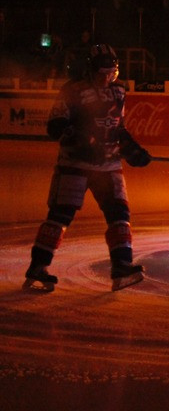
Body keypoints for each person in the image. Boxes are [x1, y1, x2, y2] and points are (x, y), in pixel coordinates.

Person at [24, 44, 152, 292]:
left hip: (109, 165)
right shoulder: (72, 90)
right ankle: (38, 266)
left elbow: (117, 128)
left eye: (111, 73)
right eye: (103, 73)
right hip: (75, 165)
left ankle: (122, 266)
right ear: (91, 71)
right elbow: (55, 126)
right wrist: (81, 140)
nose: (107, 79)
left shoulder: (118, 92)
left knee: (119, 215)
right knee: (61, 216)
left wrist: (133, 149)